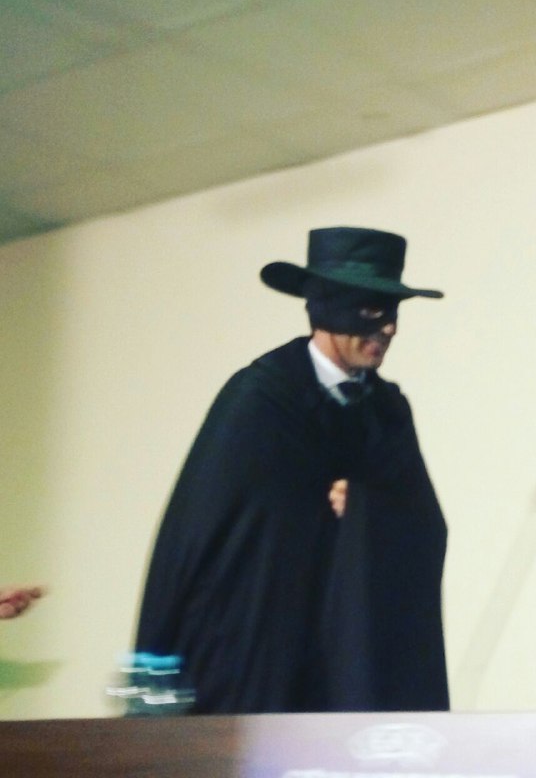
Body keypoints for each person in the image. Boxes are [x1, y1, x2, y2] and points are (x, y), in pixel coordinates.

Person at [135, 226, 449, 714]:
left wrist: (370, 509)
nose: (389, 328)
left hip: (351, 670)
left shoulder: (387, 413)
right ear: (327, 309)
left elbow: (425, 528)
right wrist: (154, 675)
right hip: (255, 662)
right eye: (372, 311)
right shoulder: (262, 400)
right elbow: (194, 533)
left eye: (393, 312)